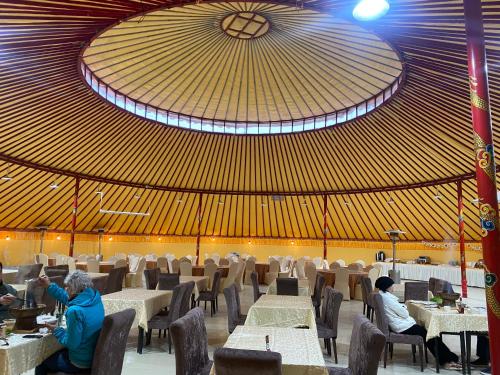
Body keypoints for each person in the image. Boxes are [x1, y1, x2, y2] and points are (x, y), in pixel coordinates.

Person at [375, 276, 461, 370]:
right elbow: (404, 314)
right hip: (402, 326)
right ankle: (447, 360)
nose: (393, 287)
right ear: (386, 287)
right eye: (391, 286)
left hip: (401, 324)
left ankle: (449, 358)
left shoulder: (383, 296)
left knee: (430, 333)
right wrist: (404, 308)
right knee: (430, 335)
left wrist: (403, 307)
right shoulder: (387, 298)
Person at [35, 271, 104, 375]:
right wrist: (49, 285)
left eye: (68, 287)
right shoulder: (94, 299)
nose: (65, 289)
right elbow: (67, 298)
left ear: (77, 290)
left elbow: (72, 344)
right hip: (93, 355)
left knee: (40, 363)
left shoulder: (75, 311)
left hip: (79, 362)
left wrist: (56, 330)